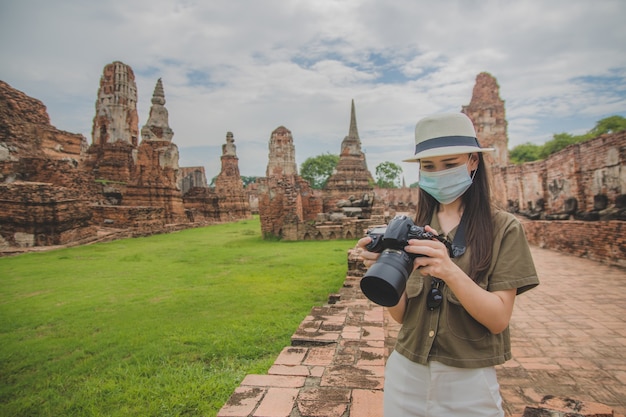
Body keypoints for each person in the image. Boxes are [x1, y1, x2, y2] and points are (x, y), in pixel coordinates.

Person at [357, 112, 539, 417]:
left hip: (468, 379)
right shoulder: (415, 228)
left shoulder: (503, 228)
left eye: (450, 163)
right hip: (406, 371)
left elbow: (498, 319)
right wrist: (382, 268)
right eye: (428, 166)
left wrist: (450, 271)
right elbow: (402, 316)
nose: (437, 173)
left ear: (473, 162)